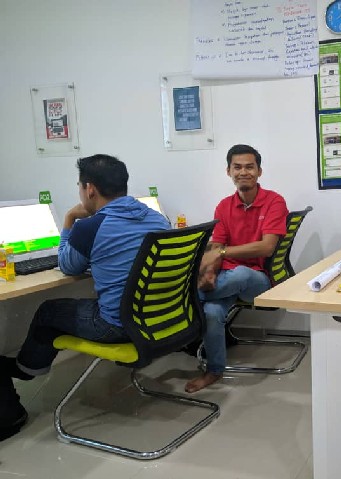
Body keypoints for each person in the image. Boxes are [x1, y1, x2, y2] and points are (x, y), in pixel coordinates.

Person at [0, 154, 170, 442]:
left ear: (89, 189)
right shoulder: (157, 219)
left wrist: (69, 219)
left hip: (116, 326)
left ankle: (24, 369)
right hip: (158, 318)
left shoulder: (89, 226)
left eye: (80, 186)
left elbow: (68, 265)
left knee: (49, 311)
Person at [185, 144, 288, 393]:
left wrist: (221, 254)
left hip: (259, 281)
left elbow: (266, 248)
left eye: (249, 167)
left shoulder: (274, 201)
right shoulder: (224, 206)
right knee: (211, 312)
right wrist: (210, 270)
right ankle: (214, 370)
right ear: (228, 172)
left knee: (240, 274)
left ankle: (184, 300)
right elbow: (216, 246)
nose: (243, 172)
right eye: (237, 167)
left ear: (259, 171)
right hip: (226, 279)